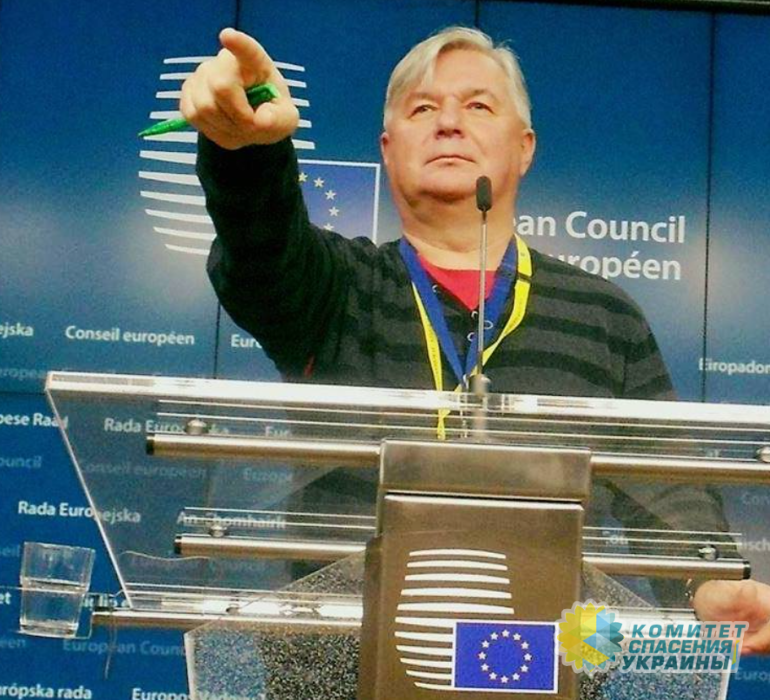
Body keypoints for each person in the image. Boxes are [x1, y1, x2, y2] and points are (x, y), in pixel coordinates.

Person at [180, 26, 770, 653]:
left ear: (524, 147)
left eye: (478, 105)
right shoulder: (336, 286)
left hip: (542, 660)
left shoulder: (602, 315)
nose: (448, 123)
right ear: (388, 149)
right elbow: (260, 250)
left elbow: (665, 480)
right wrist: (246, 150)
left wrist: (706, 581)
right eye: (422, 109)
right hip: (343, 661)